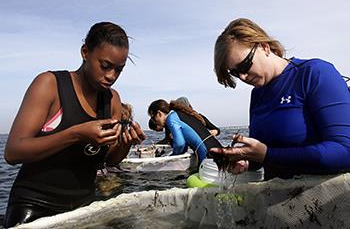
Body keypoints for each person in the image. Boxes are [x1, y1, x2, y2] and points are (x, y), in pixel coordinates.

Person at [3, 22, 146, 227]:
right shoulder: (49, 84)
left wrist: (125, 144)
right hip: (34, 206)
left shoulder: (112, 99)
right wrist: (76, 134)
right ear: (85, 52)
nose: (111, 76)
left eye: (119, 70)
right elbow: (13, 152)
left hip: (83, 208)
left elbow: (110, 160)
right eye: (105, 66)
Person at [210, 17, 350, 180]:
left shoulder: (314, 73)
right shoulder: (258, 94)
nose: (242, 76)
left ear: (264, 47)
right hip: (277, 198)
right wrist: (246, 160)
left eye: (244, 65)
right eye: (234, 73)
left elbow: (345, 151)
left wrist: (268, 155)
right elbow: (264, 153)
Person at [148, 99, 222, 167]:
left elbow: (180, 143)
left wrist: (172, 156)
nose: (155, 121)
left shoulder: (171, 119)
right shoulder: (182, 113)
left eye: (153, 117)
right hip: (218, 149)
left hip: (208, 155)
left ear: (159, 113)